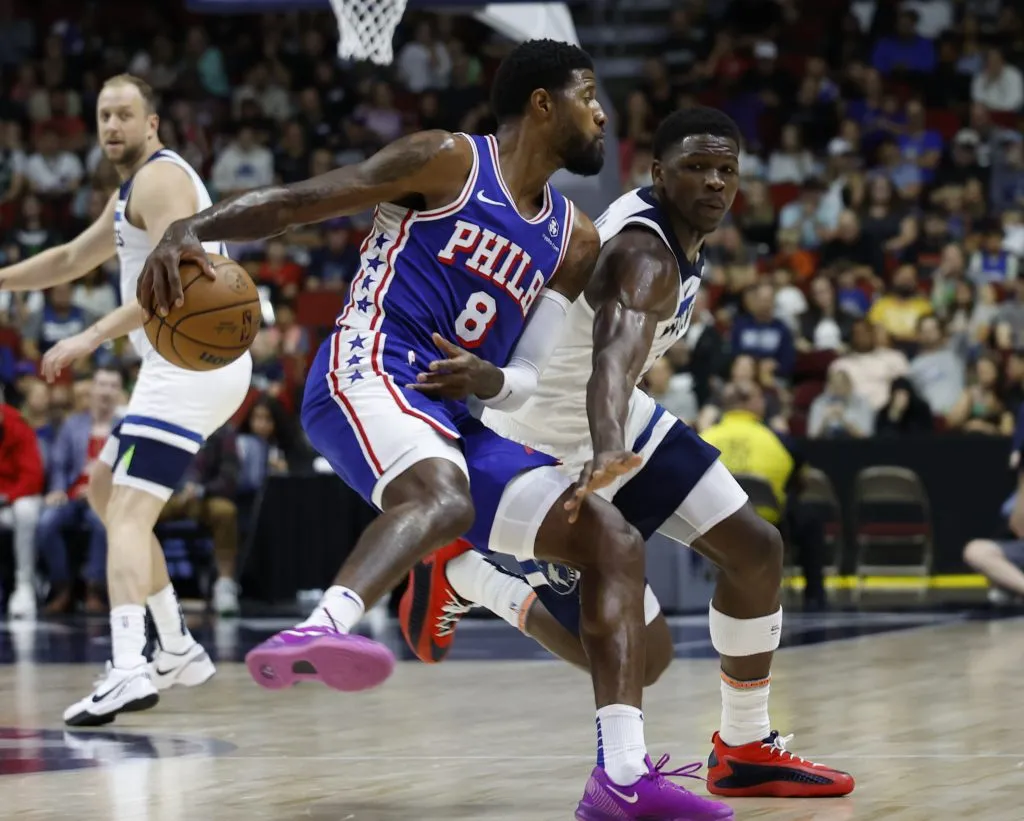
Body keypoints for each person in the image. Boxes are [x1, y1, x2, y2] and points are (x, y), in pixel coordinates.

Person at [141, 41, 726, 820]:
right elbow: (298, 202)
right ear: (543, 104)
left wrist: (491, 381)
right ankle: (318, 629)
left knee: (612, 539)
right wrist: (194, 224)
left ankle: (619, 776)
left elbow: (526, 369)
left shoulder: (575, 240)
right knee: (445, 495)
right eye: (588, 95)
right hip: (369, 365)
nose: (601, 112)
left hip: (454, 417)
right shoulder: (447, 161)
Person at [399, 108, 854, 799]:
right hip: (544, 439)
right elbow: (610, 363)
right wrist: (608, 445)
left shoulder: (682, 237)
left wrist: (615, 433)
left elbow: (615, 371)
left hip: (617, 422)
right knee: (640, 662)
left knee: (755, 548)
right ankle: (469, 577)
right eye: (697, 167)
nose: (714, 181)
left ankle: (743, 747)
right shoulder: (644, 258)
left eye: (726, 169)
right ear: (659, 173)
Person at [0, 74, 250, 726]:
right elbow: (66, 260)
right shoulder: (129, 191)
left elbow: (177, 282)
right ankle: (175, 644)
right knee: (104, 491)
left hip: (189, 365)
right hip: (185, 365)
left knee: (131, 513)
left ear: (152, 123)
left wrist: (89, 334)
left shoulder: (162, 182)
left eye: (124, 114)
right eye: (103, 113)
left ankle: (130, 665)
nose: (111, 125)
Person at [35, 365, 123, 615]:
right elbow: (60, 464)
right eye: (102, 385)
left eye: (112, 386)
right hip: (73, 496)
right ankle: (62, 587)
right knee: (46, 522)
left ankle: (94, 589)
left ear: (119, 393)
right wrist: (57, 490)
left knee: (100, 523)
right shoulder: (73, 424)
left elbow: (130, 469)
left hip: (106, 498)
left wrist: (103, 489)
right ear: (92, 390)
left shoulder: (126, 427)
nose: (106, 392)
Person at [0, 393, 44, 618]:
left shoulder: (18, 425)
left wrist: (7, 497)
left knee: (24, 511)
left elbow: (32, 476)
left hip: (16, 500)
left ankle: (24, 585)